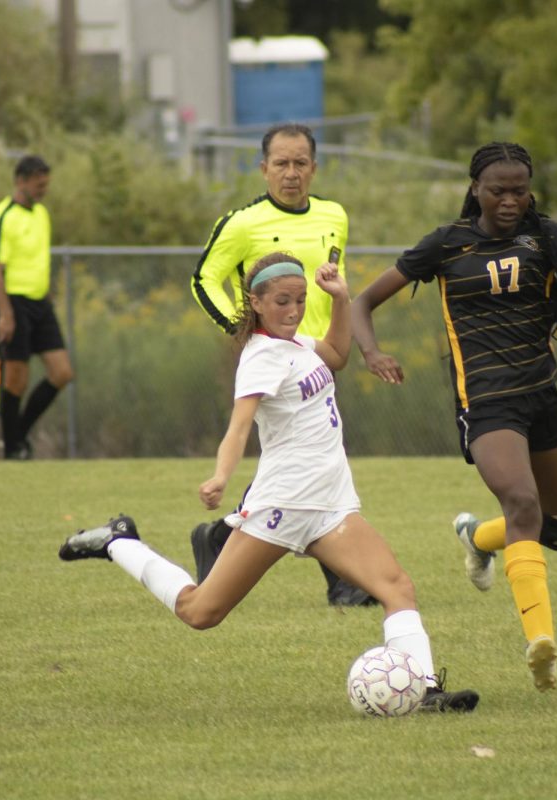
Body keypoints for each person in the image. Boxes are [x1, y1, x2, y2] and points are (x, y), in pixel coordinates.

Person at [59, 254, 478, 713]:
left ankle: (424, 690)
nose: (294, 309)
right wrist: (221, 475)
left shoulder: (294, 342)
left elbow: (337, 356)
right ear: (255, 302)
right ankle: (120, 542)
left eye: (300, 299)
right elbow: (239, 428)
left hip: (330, 503)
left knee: (397, 587)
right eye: (282, 301)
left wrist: (340, 298)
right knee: (200, 612)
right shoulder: (260, 358)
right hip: (281, 506)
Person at [350, 142, 557, 692]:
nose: (509, 200)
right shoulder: (447, 244)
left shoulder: (550, 242)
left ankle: (479, 538)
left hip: (541, 399)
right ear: (475, 190)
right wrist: (371, 352)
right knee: (523, 503)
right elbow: (360, 303)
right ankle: (542, 646)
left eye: (519, 191)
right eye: (497, 191)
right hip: (486, 402)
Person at [189, 122, 375, 607]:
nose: (290, 173)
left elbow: (336, 277)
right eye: (280, 164)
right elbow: (204, 278)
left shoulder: (334, 215)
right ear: (263, 168)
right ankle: (343, 581)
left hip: (319, 356)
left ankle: (220, 536)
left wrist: (352, 336)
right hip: (273, 360)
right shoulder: (242, 222)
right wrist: (240, 327)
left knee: (309, 463)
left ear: (314, 167)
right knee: (302, 465)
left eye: (299, 163)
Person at [0, 154, 73, 459]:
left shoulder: (42, 214)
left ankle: (15, 435)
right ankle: (12, 448)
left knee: (61, 372)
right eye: (38, 183)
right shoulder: (1, 217)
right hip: (12, 302)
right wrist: (5, 314)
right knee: (16, 378)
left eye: (45, 184)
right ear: (20, 181)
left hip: (39, 303)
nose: (42, 189)